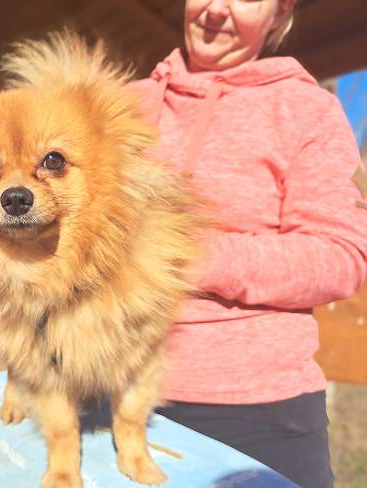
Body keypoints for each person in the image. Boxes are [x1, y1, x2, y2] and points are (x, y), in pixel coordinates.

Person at [130, 1, 367, 487]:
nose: (217, 10)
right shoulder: (121, 102)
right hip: (108, 387)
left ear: (279, 15)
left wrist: (197, 255)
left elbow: (341, 255)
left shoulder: (305, 110)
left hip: (253, 410)